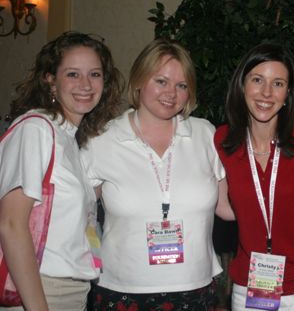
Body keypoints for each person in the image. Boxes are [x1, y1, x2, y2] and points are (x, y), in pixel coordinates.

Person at [81, 38, 231, 310]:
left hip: (195, 289)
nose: (171, 93)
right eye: (161, 81)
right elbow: (77, 213)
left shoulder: (205, 134)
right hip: (122, 291)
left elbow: (227, 208)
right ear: (139, 80)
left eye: (181, 85)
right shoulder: (103, 139)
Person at [0, 31, 124, 310]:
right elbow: (10, 224)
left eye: (95, 74)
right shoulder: (35, 128)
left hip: (72, 292)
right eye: (72, 74)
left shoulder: (70, 140)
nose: (85, 84)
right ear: (50, 81)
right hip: (39, 290)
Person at [214, 43, 294, 310]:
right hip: (248, 289)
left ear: (289, 92)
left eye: (278, 83)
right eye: (257, 80)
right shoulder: (222, 140)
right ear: (242, 85)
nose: (266, 93)